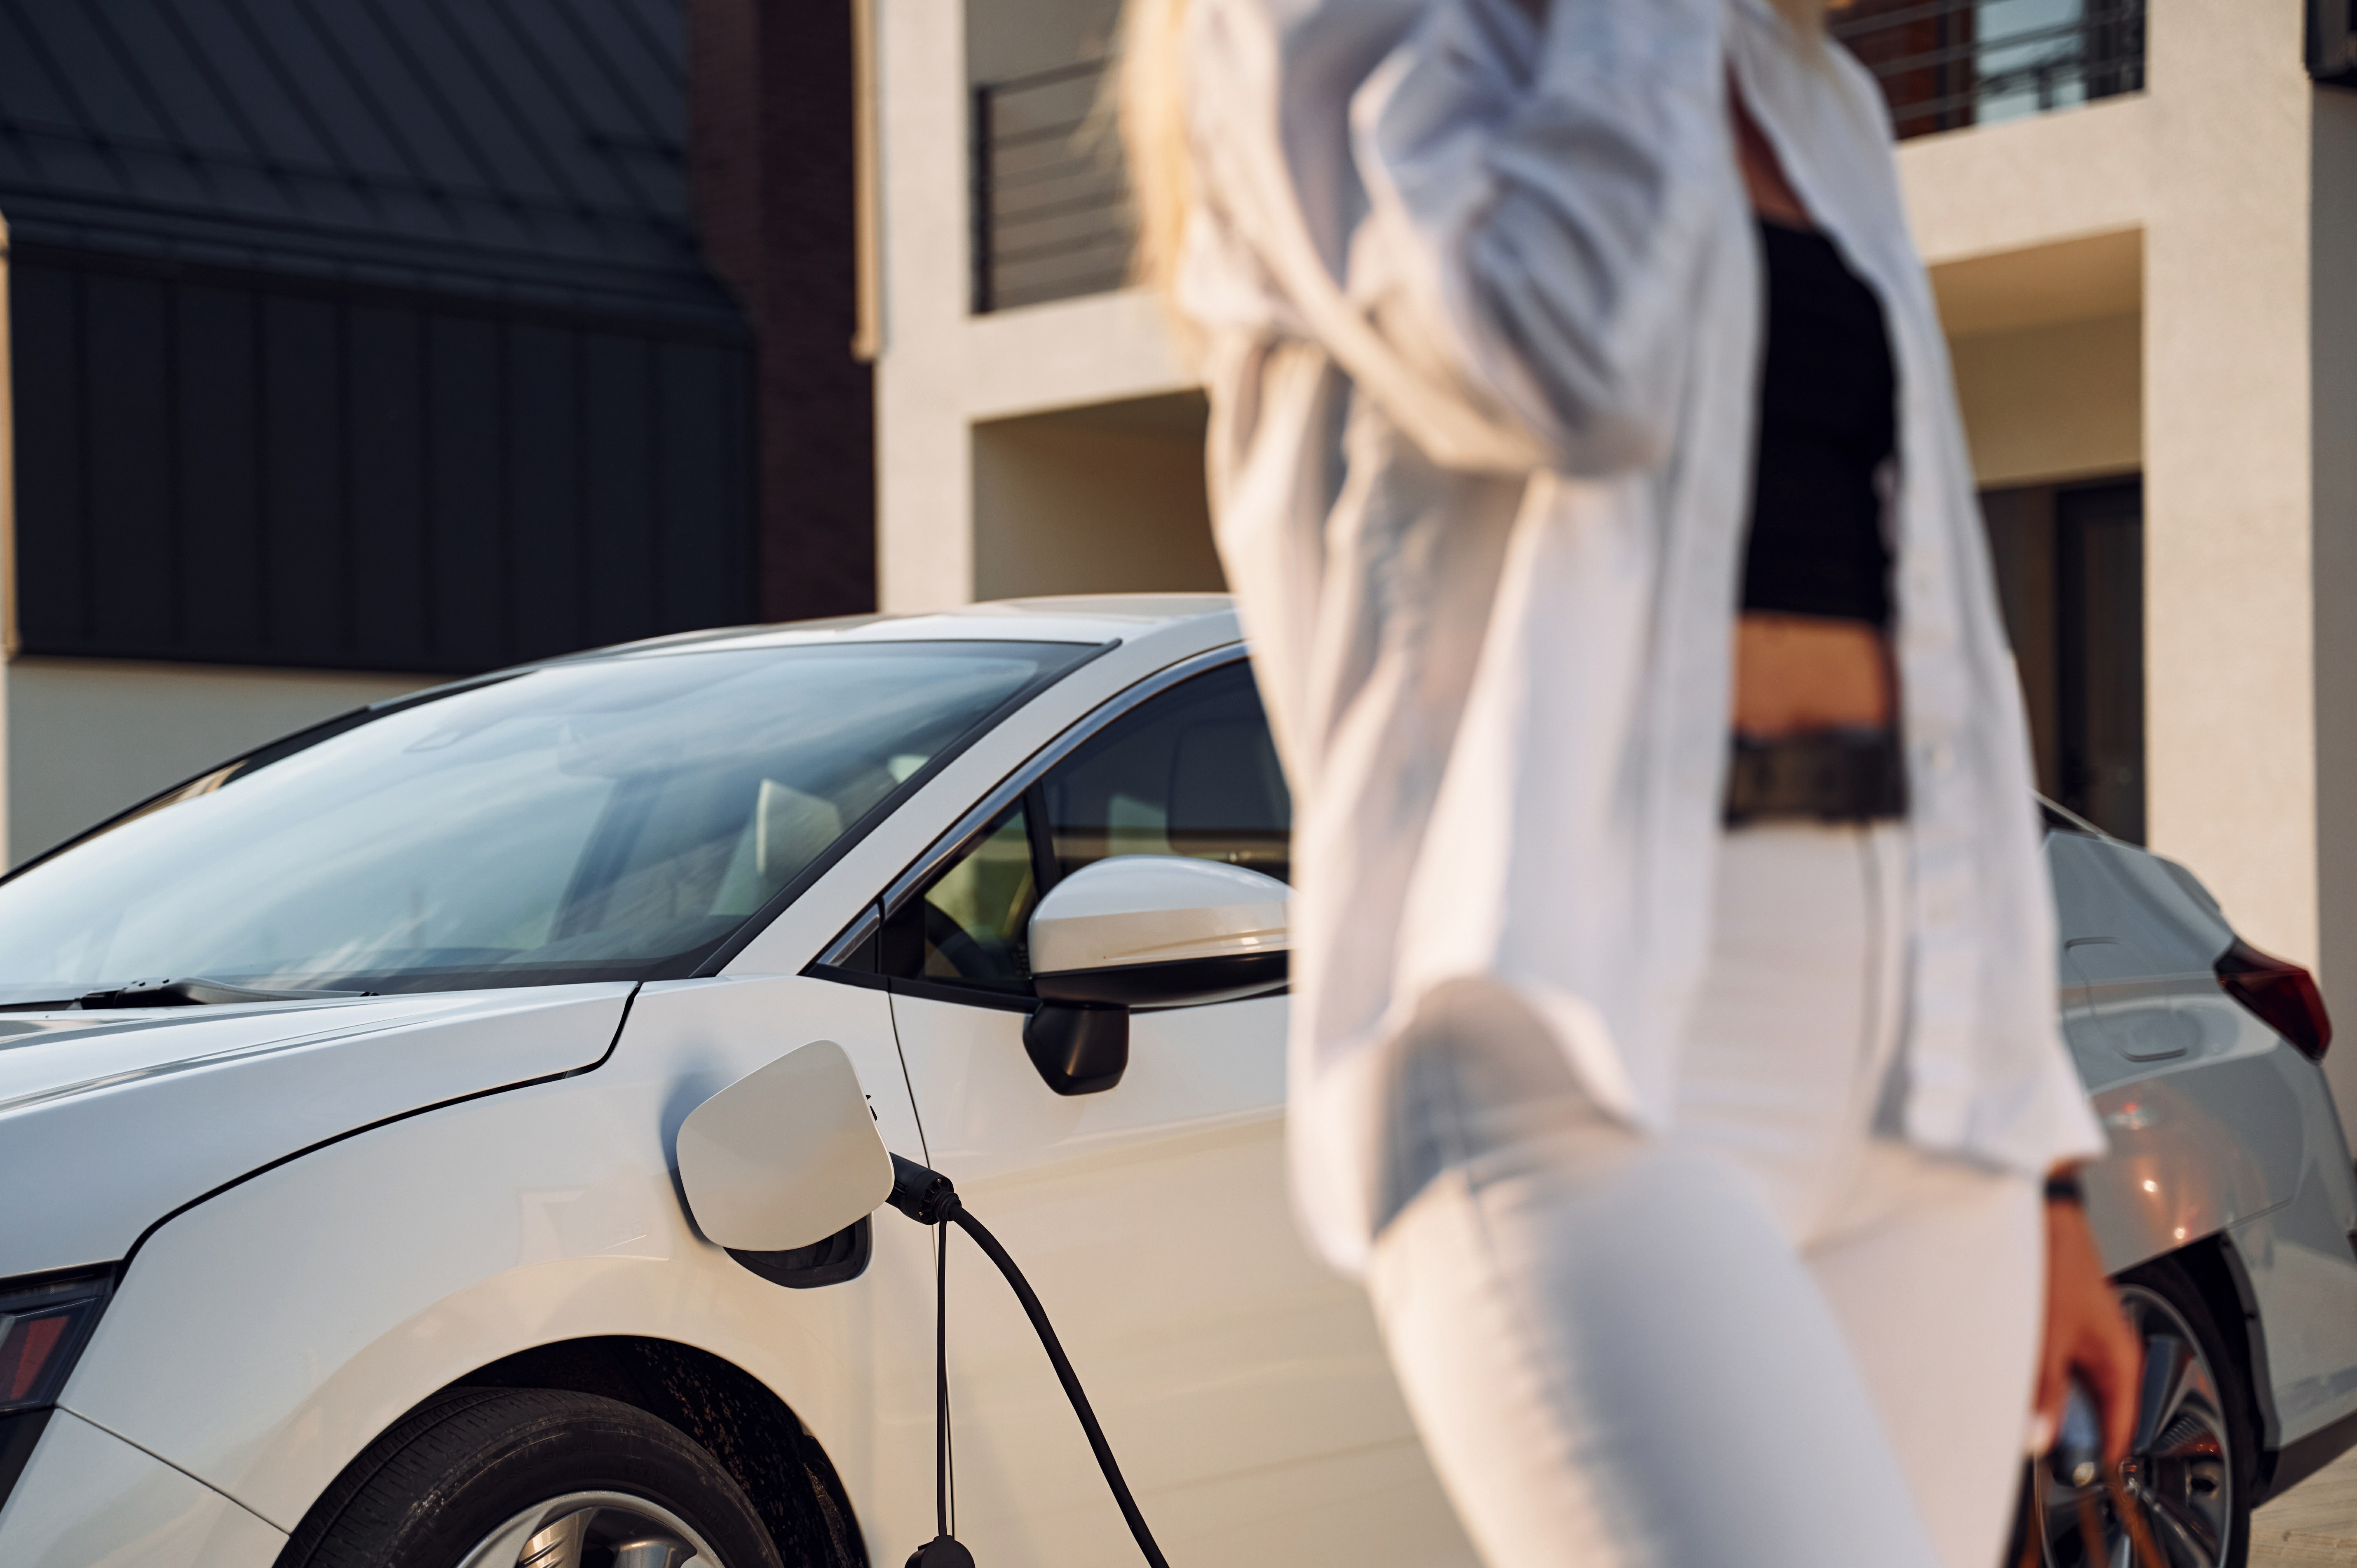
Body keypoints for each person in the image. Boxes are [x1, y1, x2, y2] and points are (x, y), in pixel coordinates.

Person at [1119, 0, 2144, 1562]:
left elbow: (1947, 654)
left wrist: (2042, 1171)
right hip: (1562, 1040)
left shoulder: (1808, 94)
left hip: (1916, 1075)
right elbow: (1569, 359)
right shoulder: (1317, 30)